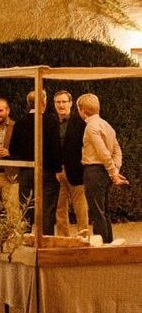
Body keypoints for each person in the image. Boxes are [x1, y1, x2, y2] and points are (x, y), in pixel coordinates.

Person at [9, 90, 62, 236]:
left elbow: (13, 149)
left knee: (25, 207)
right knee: (47, 208)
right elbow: (55, 147)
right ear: (43, 102)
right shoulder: (50, 121)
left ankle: (24, 240)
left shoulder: (20, 122)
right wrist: (58, 169)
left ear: (28, 103)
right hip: (47, 171)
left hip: (26, 171)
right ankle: (45, 239)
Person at [77, 93, 128, 242]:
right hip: (105, 172)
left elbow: (103, 152)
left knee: (97, 211)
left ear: (82, 110)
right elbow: (117, 150)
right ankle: (108, 242)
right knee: (104, 211)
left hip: (94, 171)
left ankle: (102, 245)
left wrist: (113, 173)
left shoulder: (91, 127)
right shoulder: (107, 125)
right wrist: (115, 170)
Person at [52, 91, 89, 237]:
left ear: (71, 103)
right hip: (57, 171)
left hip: (76, 171)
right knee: (60, 208)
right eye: (58, 102)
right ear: (54, 104)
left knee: (80, 207)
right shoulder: (51, 123)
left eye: (64, 102)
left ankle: (83, 237)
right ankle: (63, 240)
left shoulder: (80, 123)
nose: (61, 105)